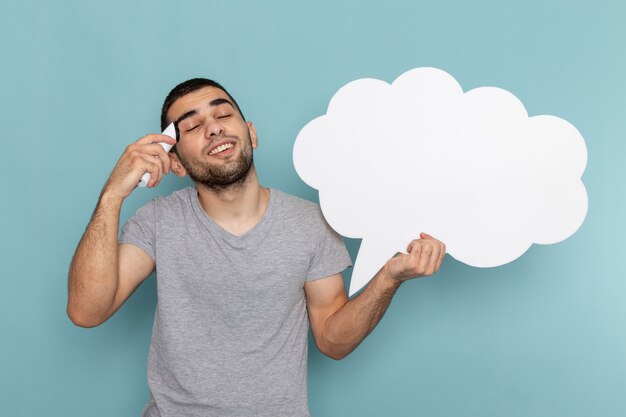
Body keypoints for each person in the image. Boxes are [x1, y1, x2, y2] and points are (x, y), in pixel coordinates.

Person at [67, 78, 446, 417]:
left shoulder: (311, 223)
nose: (213, 128)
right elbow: (86, 311)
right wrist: (113, 194)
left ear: (251, 134)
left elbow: (332, 339)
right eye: (193, 126)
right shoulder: (158, 222)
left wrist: (389, 278)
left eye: (223, 115)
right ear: (176, 163)